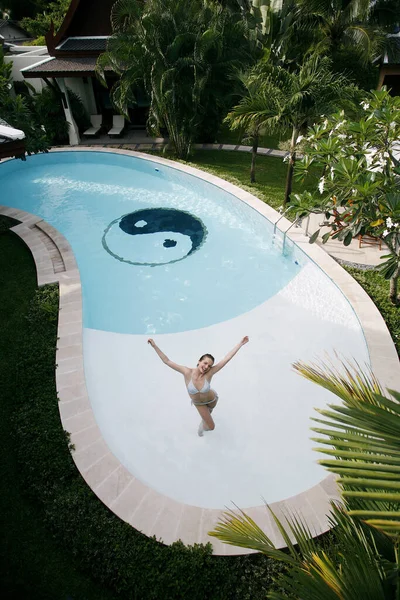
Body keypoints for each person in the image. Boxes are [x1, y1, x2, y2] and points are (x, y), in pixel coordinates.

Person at [147, 336, 249, 436]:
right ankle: (202, 427)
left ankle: (204, 421)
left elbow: (227, 358)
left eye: (209, 366)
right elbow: (167, 361)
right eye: (205, 363)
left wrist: (240, 344)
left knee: (208, 417)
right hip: (199, 404)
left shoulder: (209, 373)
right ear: (199, 361)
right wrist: (154, 346)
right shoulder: (187, 372)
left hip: (212, 400)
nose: (206, 367)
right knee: (211, 427)